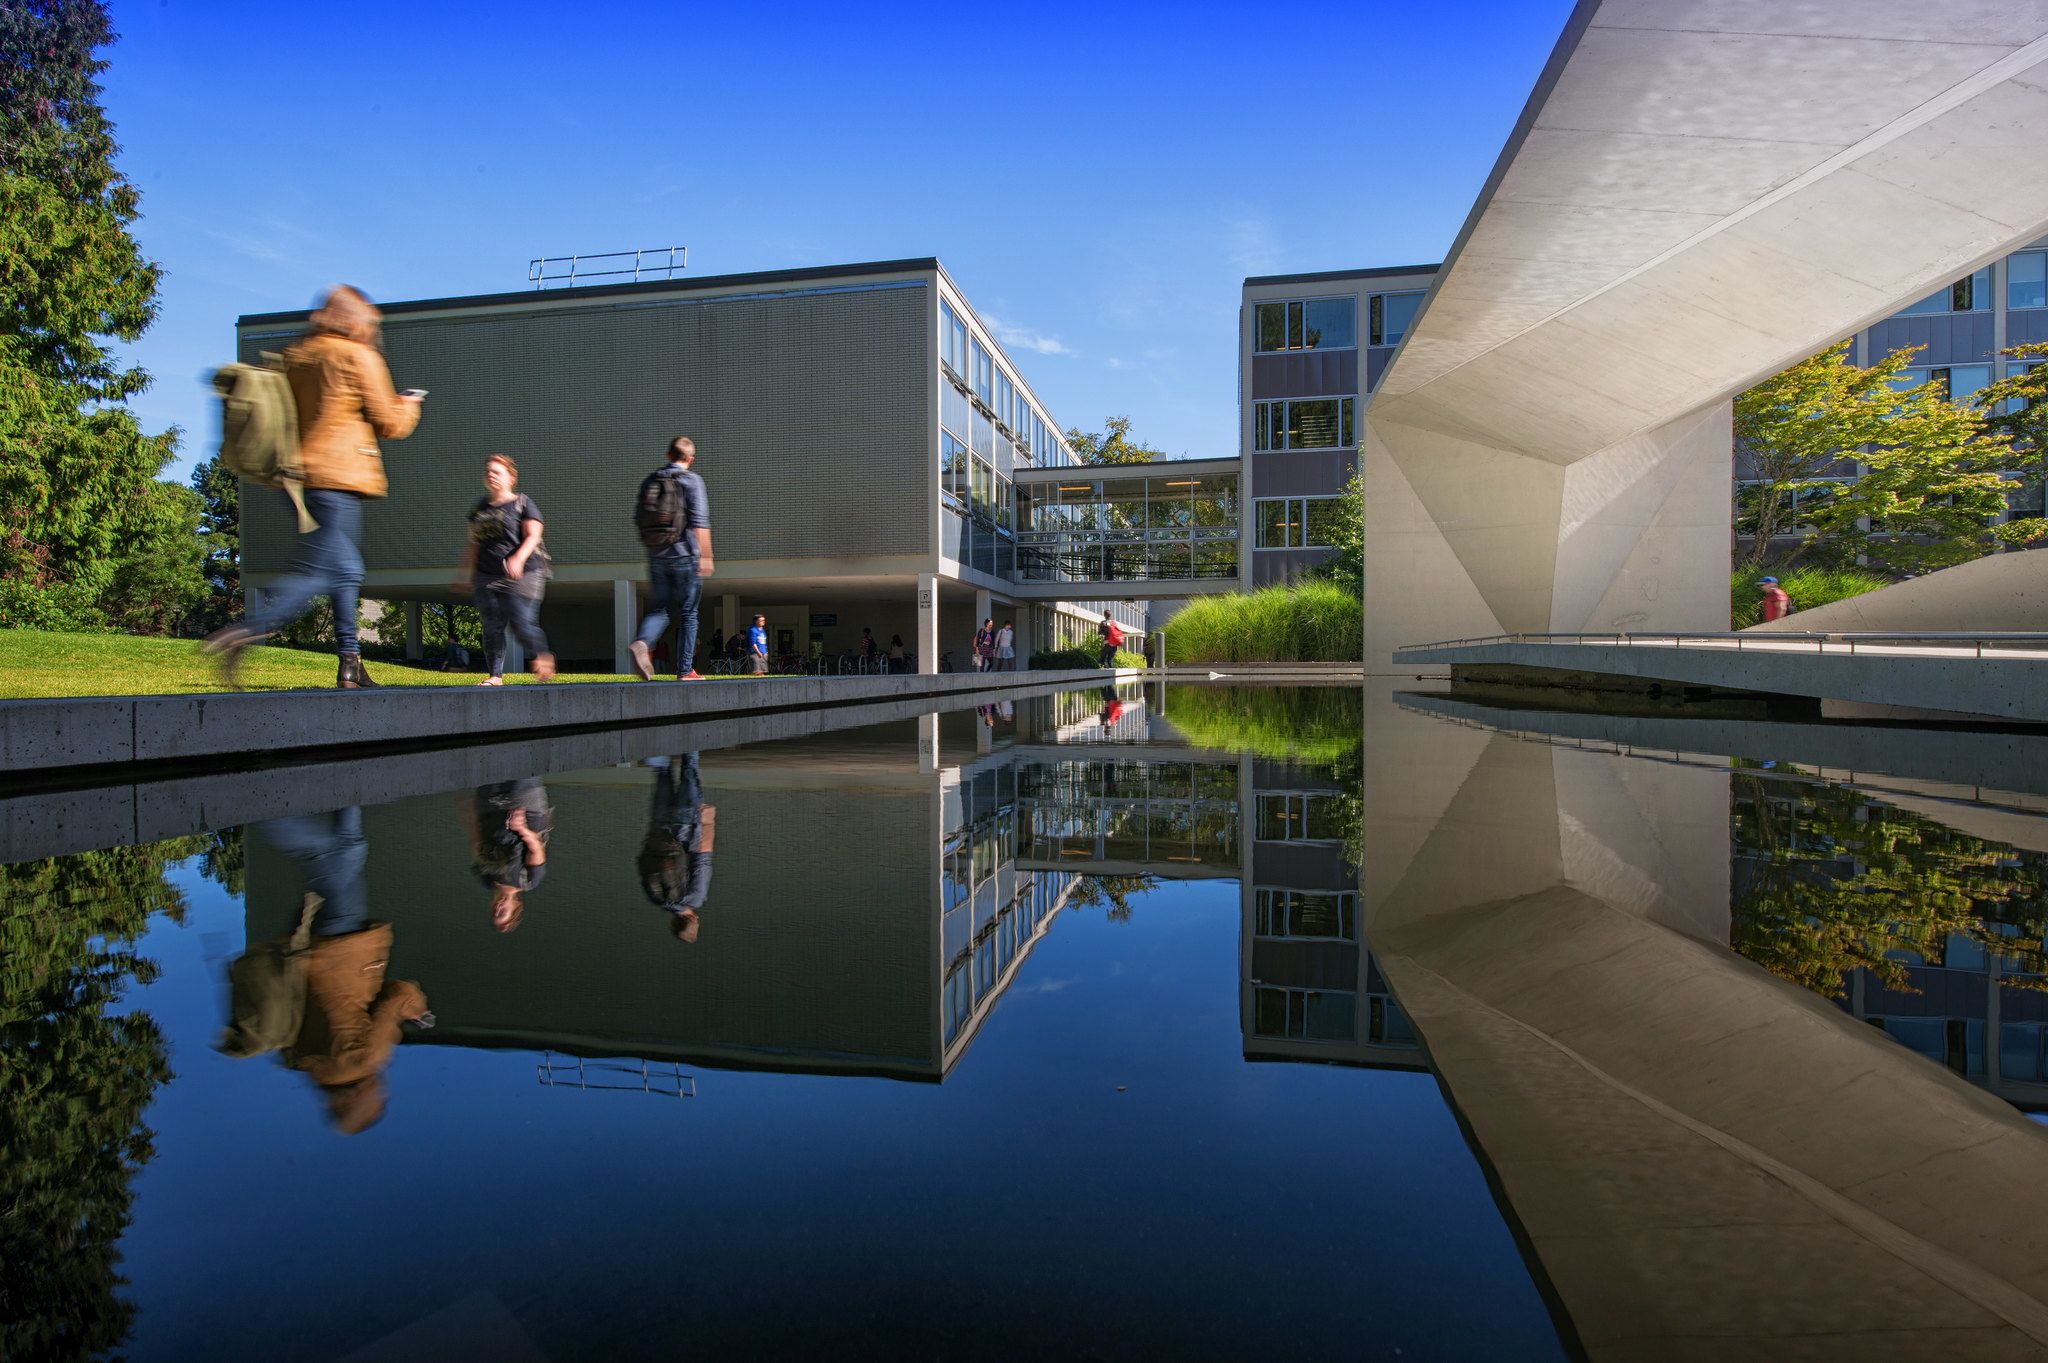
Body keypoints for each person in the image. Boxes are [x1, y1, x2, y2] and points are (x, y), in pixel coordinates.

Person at [205, 285, 422, 689]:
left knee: (343, 574)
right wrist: (409, 404)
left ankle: (350, 665)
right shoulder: (357, 355)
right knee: (327, 569)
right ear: (358, 320)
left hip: (298, 480)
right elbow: (389, 421)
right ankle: (249, 629)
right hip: (338, 478)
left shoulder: (297, 355)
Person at [224, 807, 430, 1135]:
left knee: (338, 851)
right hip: (312, 950)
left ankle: (247, 803)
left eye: (380, 1098)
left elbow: (397, 996)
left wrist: (417, 1009)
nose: (385, 1090)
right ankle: (348, 778)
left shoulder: (365, 1060)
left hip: (345, 944)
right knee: (346, 847)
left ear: (362, 1099)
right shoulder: (301, 1062)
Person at [459, 454, 554, 686]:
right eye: (488, 471)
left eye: (497, 471)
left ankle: (542, 655)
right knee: (491, 626)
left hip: (524, 573)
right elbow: (473, 544)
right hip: (487, 575)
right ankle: (495, 676)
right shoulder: (480, 508)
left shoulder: (522, 502)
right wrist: (464, 573)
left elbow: (534, 535)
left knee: (521, 622)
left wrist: (518, 558)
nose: (491, 475)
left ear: (511, 478)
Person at [628, 436, 714, 682]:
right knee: (688, 613)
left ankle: (643, 642)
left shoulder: (651, 480)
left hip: (656, 555)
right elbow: (700, 522)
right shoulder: (692, 480)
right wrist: (706, 555)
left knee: (661, 608)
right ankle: (685, 670)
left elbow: (639, 518)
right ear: (690, 459)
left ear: (668, 455)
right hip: (685, 555)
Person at [637, 753, 715, 942]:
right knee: (662, 770)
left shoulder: (696, 897)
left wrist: (709, 821)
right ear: (673, 922)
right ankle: (651, 738)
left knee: (690, 766)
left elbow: (702, 857)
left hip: (687, 823)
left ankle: (693, 726)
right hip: (660, 826)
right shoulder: (658, 898)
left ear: (695, 918)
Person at [459, 777, 551, 932]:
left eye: (494, 912)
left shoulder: (486, 878)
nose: (497, 908)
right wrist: (521, 828)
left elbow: (476, 842)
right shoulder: (527, 881)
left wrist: (469, 815)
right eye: (502, 913)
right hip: (523, 804)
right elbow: (536, 849)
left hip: (489, 806)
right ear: (516, 906)